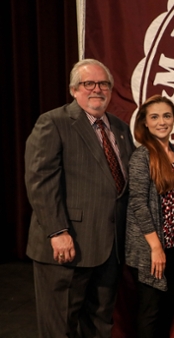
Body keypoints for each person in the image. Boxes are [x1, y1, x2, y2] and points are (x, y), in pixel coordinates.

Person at [24, 59, 135, 337]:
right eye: (89, 83)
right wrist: (57, 230)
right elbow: (40, 180)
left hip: (110, 248)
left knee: (100, 324)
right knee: (59, 327)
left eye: (104, 84)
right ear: (74, 89)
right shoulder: (53, 122)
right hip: (67, 245)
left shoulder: (120, 128)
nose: (97, 89)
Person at [126, 95, 174, 337]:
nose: (161, 122)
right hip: (150, 248)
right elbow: (138, 204)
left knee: (167, 310)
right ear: (144, 122)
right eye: (154, 117)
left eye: (167, 116)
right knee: (150, 312)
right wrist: (155, 247)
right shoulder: (141, 156)